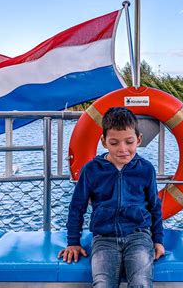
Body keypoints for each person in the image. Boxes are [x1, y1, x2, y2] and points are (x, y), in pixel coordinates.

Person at [58, 107, 165, 287]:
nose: (123, 149)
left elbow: (154, 206)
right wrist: (73, 242)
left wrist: (158, 240)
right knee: (102, 284)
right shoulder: (91, 170)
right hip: (104, 238)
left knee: (141, 283)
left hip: (138, 236)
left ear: (138, 140)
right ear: (104, 141)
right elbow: (77, 207)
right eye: (114, 143)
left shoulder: (146, 169)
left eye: (129, 142)